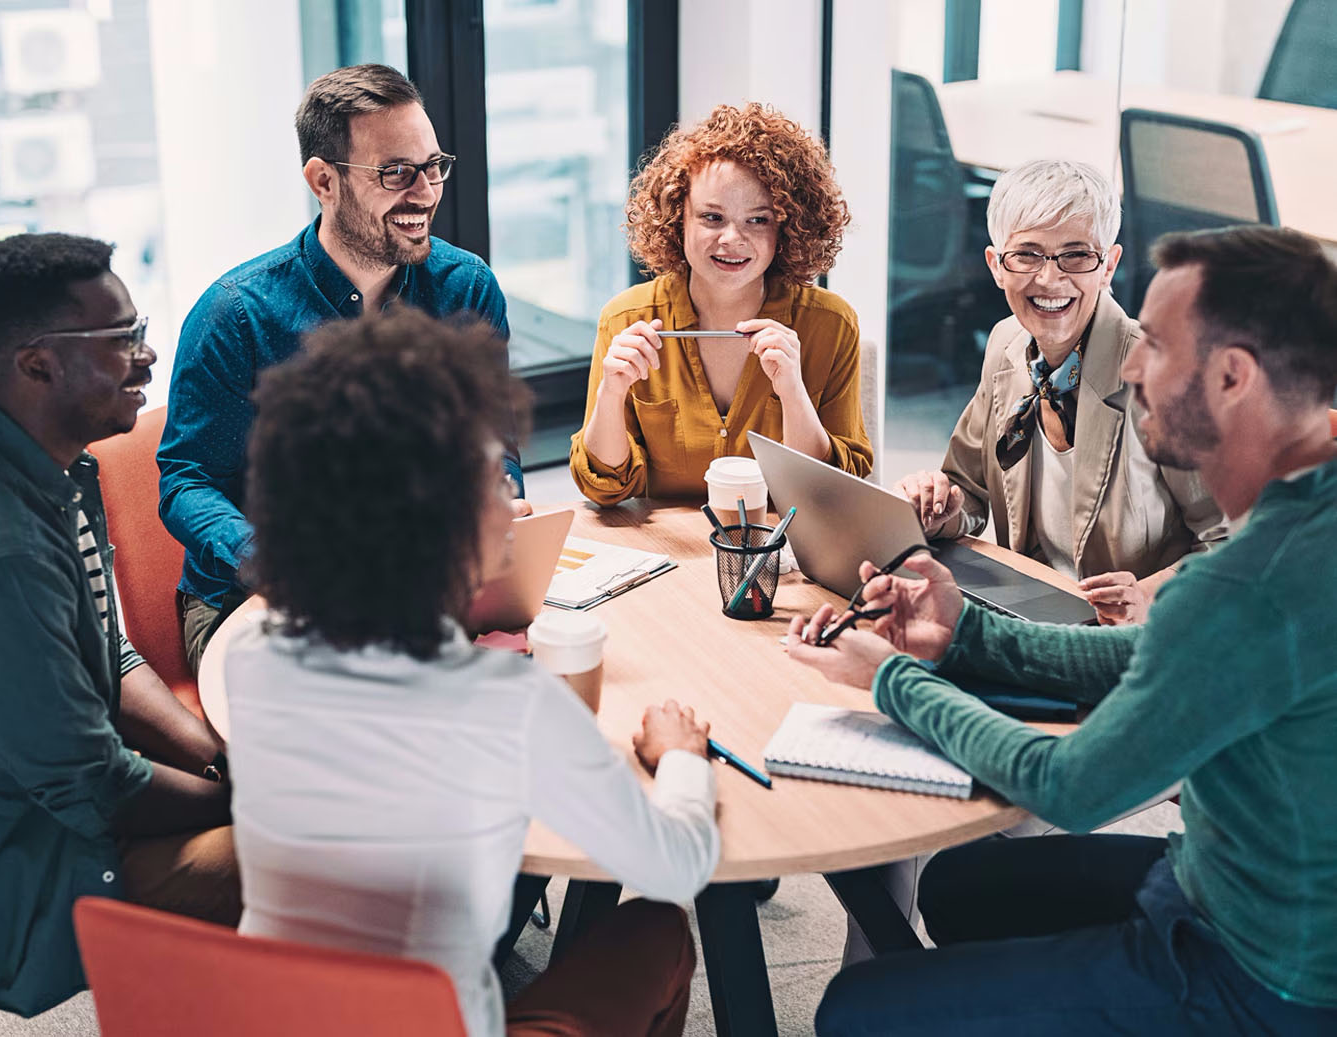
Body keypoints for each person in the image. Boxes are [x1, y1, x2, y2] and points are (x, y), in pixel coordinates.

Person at [788, 225, 1337, 1035]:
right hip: (1229, 883)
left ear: (1231, 376)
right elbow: (1159, 656)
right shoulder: (1305, 515)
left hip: (1257, 979)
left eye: (1151, 341)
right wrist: (965, 631)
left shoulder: (1245, 584)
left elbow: (1072, 785)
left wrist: (890, 680)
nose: (1130, 364)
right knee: (958, 885)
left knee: (857, 1010)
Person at [222, 306, 719, 1037]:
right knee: (659, 928)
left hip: (273, 1019)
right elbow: (677, 864)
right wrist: (681, 762)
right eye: (492, 479)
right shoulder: (507, 703)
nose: (511, 502)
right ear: (435, 519)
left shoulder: (252, 655)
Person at [158, 63, 527, 676]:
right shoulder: (237, 314)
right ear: (323, 181)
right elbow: (185, 481)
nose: (427, 192)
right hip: (253, 598)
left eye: (434, 167)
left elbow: (497, 446)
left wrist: (496, 495)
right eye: (396, 173)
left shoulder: (466, 288)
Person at [0, 233, 239, 1017]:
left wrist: (218, 756)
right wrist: (253, 801)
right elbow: (94, 786)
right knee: (329, 851)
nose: (148, 357)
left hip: (76, 804)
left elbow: (106, 653)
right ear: (37, 364)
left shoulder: (57, 467)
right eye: (123, 340)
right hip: (32, 866)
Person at [895, 159, 1224, 626]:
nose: (1050, 280)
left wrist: (1152, 597)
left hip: (1134, 642)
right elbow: (967, 490)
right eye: (1027, 254)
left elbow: (1237, 542)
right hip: (1029, 616)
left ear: (1108, 265)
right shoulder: (1005, 344)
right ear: (996, 266)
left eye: (1076, 255)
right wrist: (935, 507)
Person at [570, 102, 873, 505]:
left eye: (758, 220)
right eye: (712, 218)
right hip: (669, 555)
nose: (732, 239)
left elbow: (834, 493)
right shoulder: (626, 320)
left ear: (787, 226)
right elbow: (605, 487)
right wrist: (611, 393)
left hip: (781, 555)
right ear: (677, 218)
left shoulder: (831, 325)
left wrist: (792, 392)